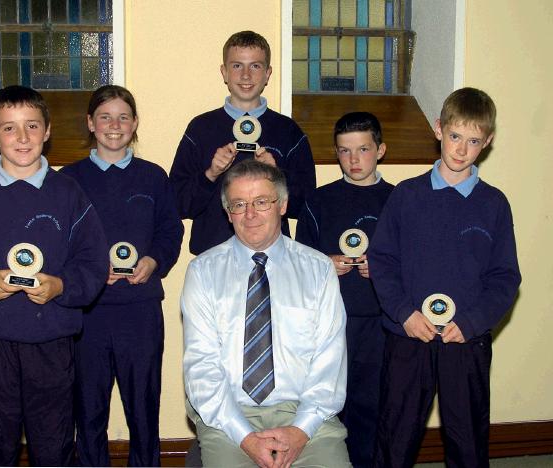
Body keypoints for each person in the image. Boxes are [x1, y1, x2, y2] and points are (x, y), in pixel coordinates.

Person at [0, 85, 107, 466]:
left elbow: (93, 264)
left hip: (52, 342)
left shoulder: (69, 193)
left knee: (54, 442)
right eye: (9, 128)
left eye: (32, 126)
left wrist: (61, 286)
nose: (23, 137)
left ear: (47, 131)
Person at [368, 87, 521, 467]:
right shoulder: (406, 196)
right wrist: (404, 313)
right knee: (395, 434)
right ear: (439, 129)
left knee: (467, 437)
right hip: (408, 335)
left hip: (464, 340)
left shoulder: (494, 204)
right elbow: (382, 260)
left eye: (472, 141)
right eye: (454, 136)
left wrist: (471, 323)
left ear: (487, 142)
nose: (460, 149)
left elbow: (504, 277)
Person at [182, 159, 350, 468]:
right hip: (228, 416)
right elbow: (201, 368)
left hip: (305, 413)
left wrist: (300, 430)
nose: (250, 214)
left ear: (282, 205)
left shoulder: (318, 269)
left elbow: (330, 361)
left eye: (261, 202)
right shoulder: (203, 272)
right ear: (227, 212)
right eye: (238, 204)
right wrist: (244, 437)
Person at [60, 85, 184, 466]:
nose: (114, 125)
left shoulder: (153, 177)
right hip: (88, 312)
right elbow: (59, 241)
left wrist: (154, 261)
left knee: (144, 409)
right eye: (105, 117)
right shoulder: (68, 179)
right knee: (88, 409)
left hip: (139, 309)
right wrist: (91, 271)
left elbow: (170, 231)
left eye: (123, 117)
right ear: (90, 124)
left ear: (134, 123)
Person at [296, 111, 394, 468]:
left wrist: (382, 269)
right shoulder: (318, 201)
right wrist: (326, 263)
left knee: (372, 406)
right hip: (329, 324)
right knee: (326, 406)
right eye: (344, 151)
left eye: (363, 149)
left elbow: (412, 264)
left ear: (380, 150)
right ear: (335, 153)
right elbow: (299, 263)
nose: (354, 160)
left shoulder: (398, 201)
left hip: (380, 325)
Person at [170, 30, 316, 255]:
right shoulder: (200, 128)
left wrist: (277, 174)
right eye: (237, 66)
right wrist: (210, 175)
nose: (246, 76)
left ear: (268, 74)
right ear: (224, 72)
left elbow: (305, 207)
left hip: (272, 256)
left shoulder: (288, 131)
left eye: (255, 66)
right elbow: (178, 204)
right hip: (213, 257)